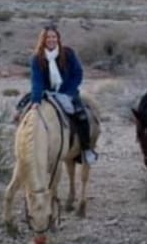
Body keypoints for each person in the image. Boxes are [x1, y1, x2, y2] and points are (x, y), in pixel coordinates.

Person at [28, 25, 97, 164]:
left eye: (54, 37)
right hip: (46, 93)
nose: (51, 40)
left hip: (67, 92)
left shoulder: (68, 54)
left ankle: (85, 149)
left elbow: (78, 73)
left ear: (58, 39)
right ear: (43, 40)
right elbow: (37, 80)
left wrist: (68, 92)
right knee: (23, 111)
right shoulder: (37, 58)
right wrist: (36, 99)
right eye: (48, 37)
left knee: (82, 116)